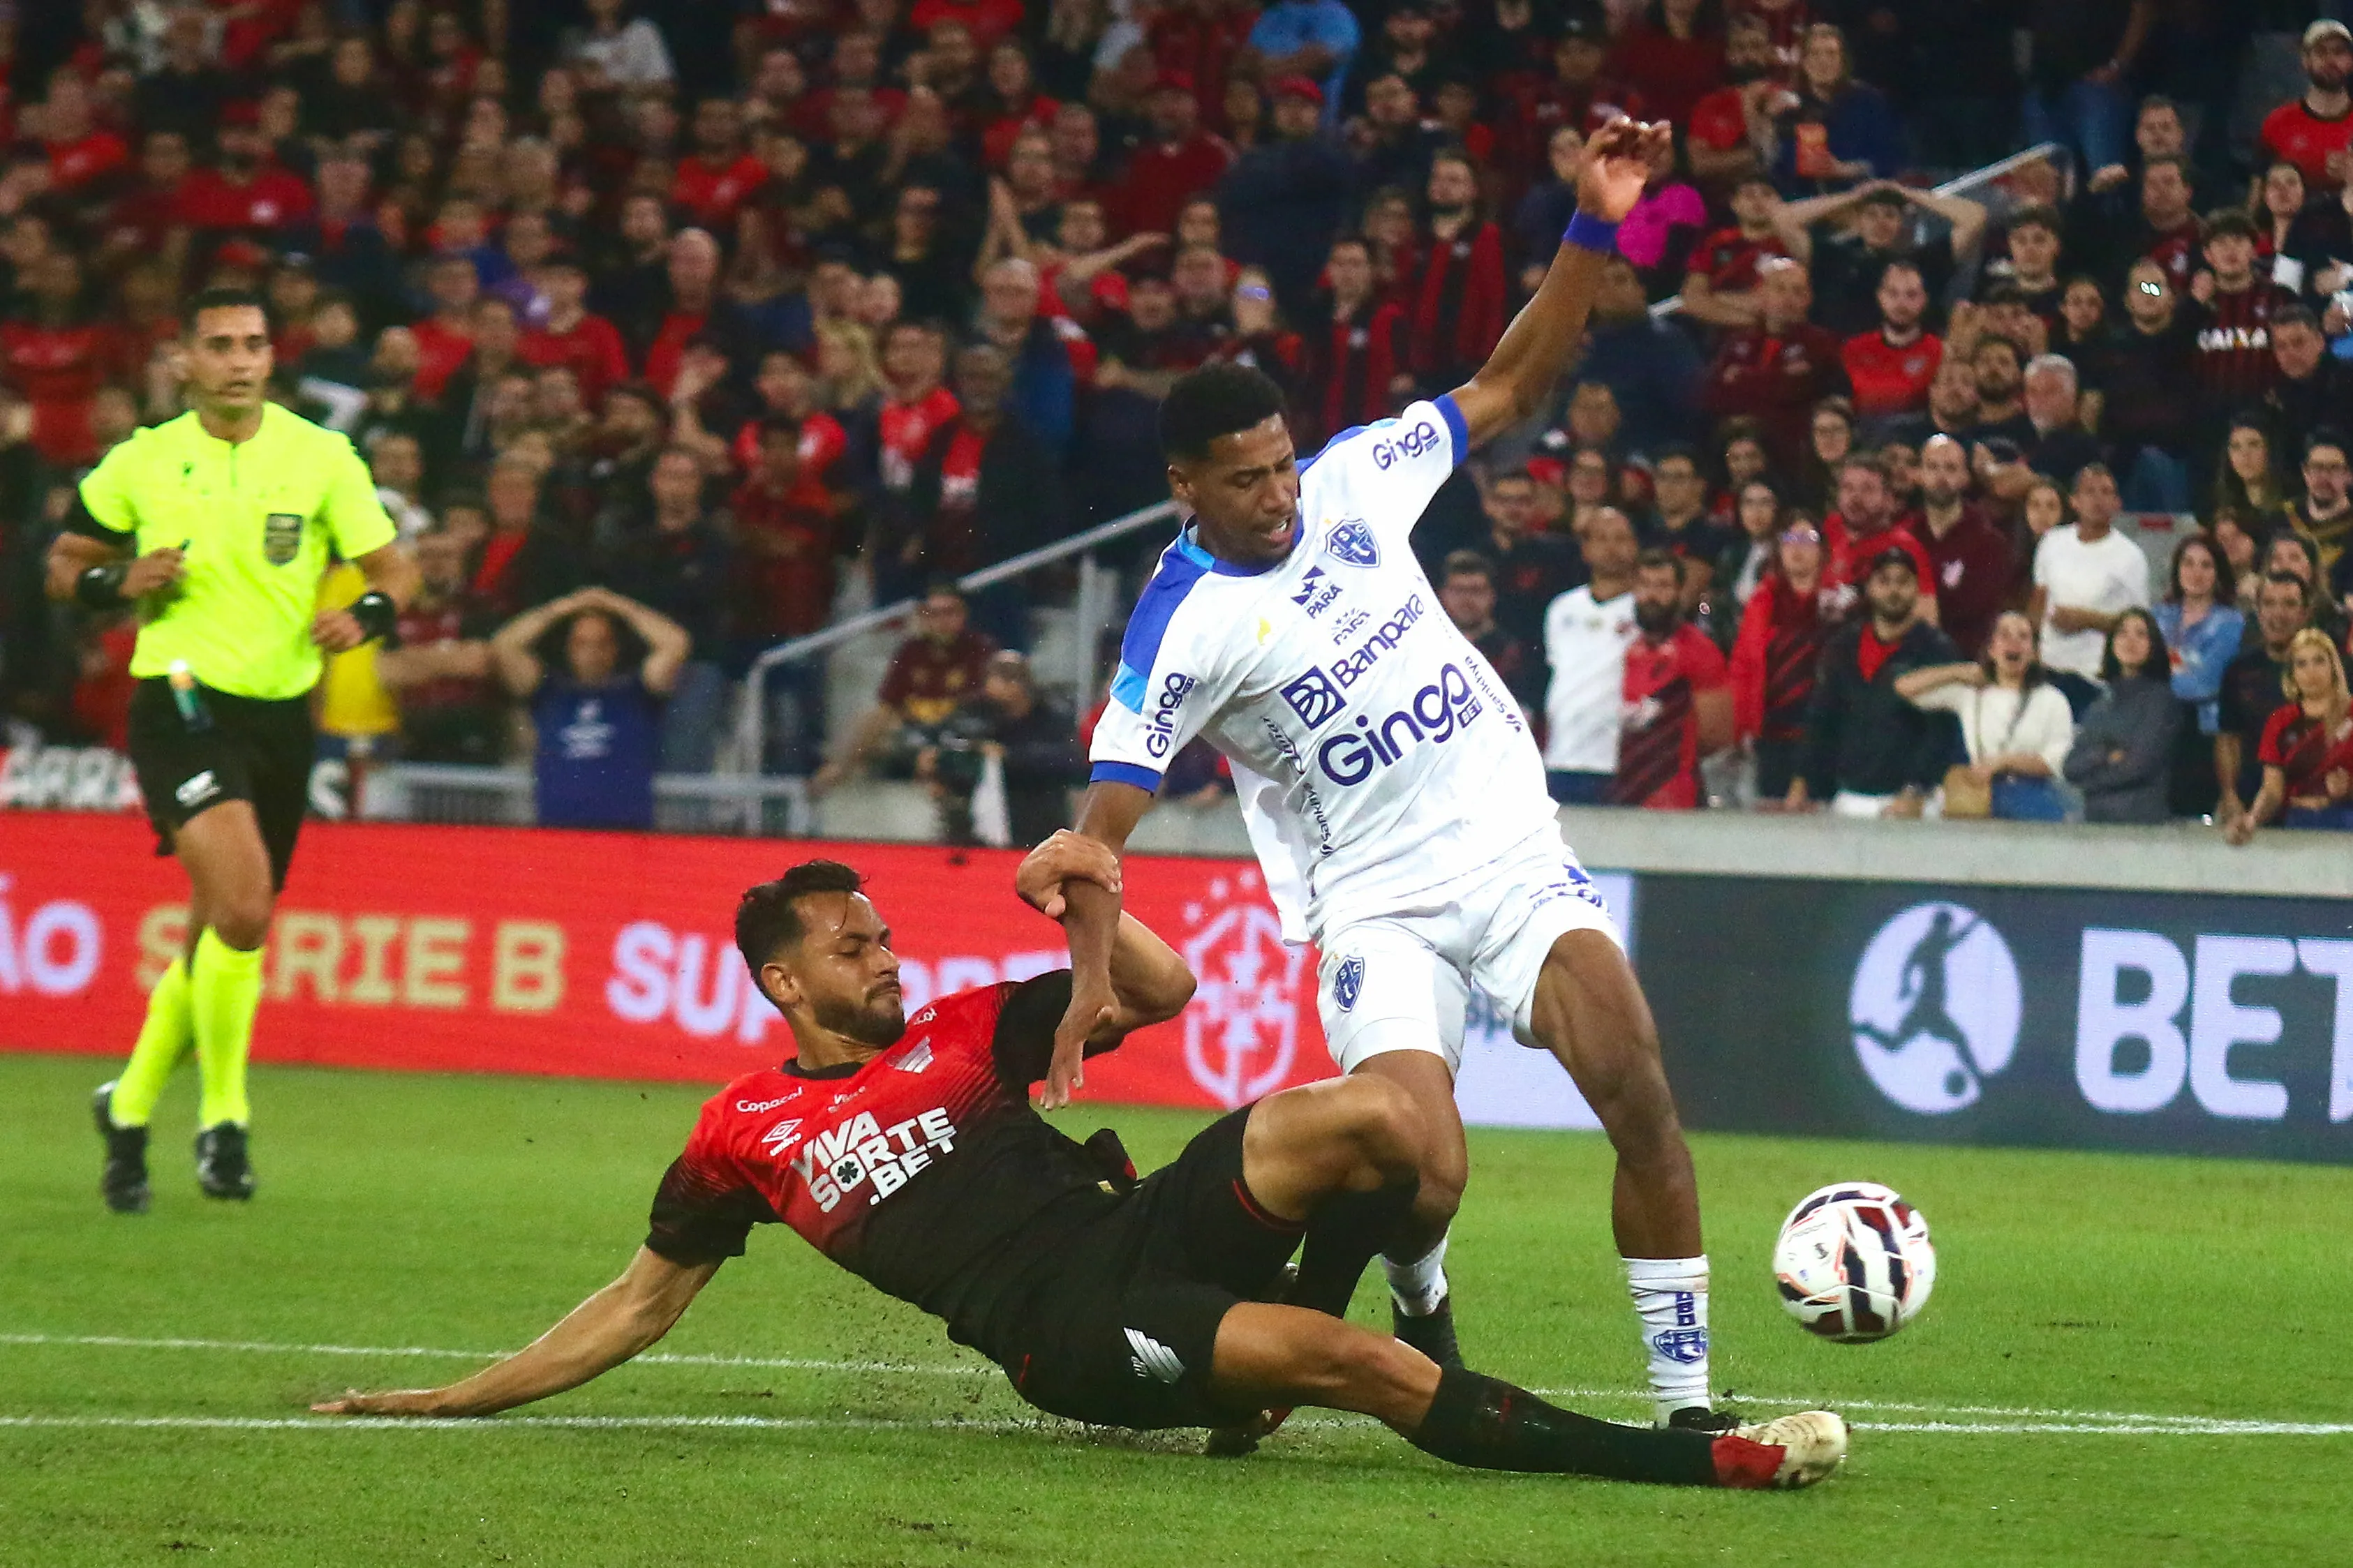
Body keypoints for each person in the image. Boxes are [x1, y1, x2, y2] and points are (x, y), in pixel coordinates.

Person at [312, 848, 1846, 1489]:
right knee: (1340, 1359)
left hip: (1143, 1219)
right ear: (785, 987)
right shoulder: (741, 1135)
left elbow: (1163, 992)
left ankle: (1365, 1325)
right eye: (849, 944)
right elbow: (637, 1306)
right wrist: (446, 1395)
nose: (879, 949)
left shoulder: (969, 1026)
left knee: (1364, 1117)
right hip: (1066, 1329)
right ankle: (1692, 1459)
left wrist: (1087, 897)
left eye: (882, 929)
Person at [1064, 123, 1746, 1435]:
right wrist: (1098, 972)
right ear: (1184, 486)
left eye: (1280, 463)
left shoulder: (1356, 480)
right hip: (1373, 901)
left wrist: (1594, 221)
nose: (1278, 495)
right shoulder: (1181, 624)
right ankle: (1416, 1283)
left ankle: (1685, 1404)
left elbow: (1511, 383)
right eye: (1246, 479)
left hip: (1507, 853)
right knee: (1424, 1168)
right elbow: (1102, 824)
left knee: (1640, 1088)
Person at [47, 286, 419, 1213]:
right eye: (219, 344)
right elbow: (61, 563)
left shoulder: (320, 454)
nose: (240, 359)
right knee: (246, 908)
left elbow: (393, 568)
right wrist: (113, 579)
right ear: (184, 360)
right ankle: (224, 1118)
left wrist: (365, 615)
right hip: (177, 698)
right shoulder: (143, 460)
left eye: (253, 342)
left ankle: (127, 1107)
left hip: (282, 713)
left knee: (218, 920)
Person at [491, 585, 690, 832]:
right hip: (558, 834)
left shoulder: (637, 692)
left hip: (628, 835)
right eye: (581, 644)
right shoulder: (550, 692)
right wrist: (565, 607)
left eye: (602, 643)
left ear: (614, 649)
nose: (592, 653)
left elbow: (676, 644)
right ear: (569, 649)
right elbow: (504, 646)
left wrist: (617, 605)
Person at [1789, 548, 1961, 818]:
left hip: (1912, 803)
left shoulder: (1937, 651)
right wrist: (1802, 782)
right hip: (1849, 796)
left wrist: (1917, 789)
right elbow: (1821, 719)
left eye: (1903, 582)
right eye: (1884, 581)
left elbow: (1941, 731)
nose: (1894, 590)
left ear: (1917, 588)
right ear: (1869, 588)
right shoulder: (1843, 647)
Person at [1896, 611, 2077, 823]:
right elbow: (1904, 688)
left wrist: (2004, 762)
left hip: (2035, 802)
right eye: (2005, 635)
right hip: (1981, 799)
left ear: (2035, 652)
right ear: (1991, 649)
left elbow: (2058, 761)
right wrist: (1958, 672)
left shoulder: (2053, 699)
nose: (2014, 643)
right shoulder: (1971, 694)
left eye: (2023, 637)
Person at [817, 584, 999, 791]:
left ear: (963, 614)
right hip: (914, 729)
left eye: (950, 612)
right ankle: (835, 773)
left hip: (959, 731)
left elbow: (982, 704)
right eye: (934, 614)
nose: (942, 621)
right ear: (923, 616)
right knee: (872, 718)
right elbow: (889, 701)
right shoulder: (911, 650)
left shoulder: (980, 648)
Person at [921, 650, 1085, 846]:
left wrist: (1008, 756)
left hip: (1036, 809)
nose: (1004, 685)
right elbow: (949, 741)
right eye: (998, 677)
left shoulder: (1050, 714)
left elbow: (1068, 760)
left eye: (1011, 678)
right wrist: (936, 760)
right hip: (977, 815)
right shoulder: (975, 710)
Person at [1730, 518, 1842, 802]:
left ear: (1823, 551)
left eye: (1808, 540)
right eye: (1790, 540)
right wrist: (1741, 728)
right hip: (1772, 736)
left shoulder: (1841, 603)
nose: (1798, 549)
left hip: (1825, 736)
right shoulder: (1762, 601)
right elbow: (1744, 666)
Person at [1612, 548, 1732, 809]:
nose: (1652, 595)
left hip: (1677, 797)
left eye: (1663, 586)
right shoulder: (1631, 648)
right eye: (1645, 585)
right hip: (1628, 792)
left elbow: (1717, 735)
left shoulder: (1699, 650)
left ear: (1679, 592)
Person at [1543, 506, 1643, 804]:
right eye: (1601, 538)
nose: (1611, 548)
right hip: (1561, 756)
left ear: (1635, 546)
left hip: (1616, 759)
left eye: (1620, 538)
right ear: (1586, 549)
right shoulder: (1562, 609)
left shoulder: (1645, 612)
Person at [2028, 465, 2151, 700]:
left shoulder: (2130, 556)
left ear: (2117, 503)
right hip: (2048, 669)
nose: (2098, 499)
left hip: (2095, 674)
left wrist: (2088, 620)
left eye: (2106, 492)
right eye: (2090, 492)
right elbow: (2038, 600)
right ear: (2074, 501)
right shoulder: (2052, 542)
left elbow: (2141, 623)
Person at [2227, 628, 2353, 842]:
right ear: (2292, 673)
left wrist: (2348, 789)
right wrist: (2252, 820)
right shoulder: (2281, 721)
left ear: (2334, 666)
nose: (2311, 671)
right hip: (2298, 822)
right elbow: (2272, 790)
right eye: (2301, 664)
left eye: (2319, 661)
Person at [2215, 572, 2314, 828]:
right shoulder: (2238, 670)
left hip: (2312, 808)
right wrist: (2229, 795)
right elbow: (2228, 738)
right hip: (2251, 803)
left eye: (2289, 604)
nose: (2278, 614)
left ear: (2305, 613)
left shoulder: (2334, 670)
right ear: (2258, 612)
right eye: (2269, 604)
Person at [2065, 609, 2181, 824]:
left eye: (2141, 634)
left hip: (2142, 822)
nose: (2131, 641)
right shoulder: (2101, 704)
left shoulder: (2161, 701)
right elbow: (2071, 766)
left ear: (2153, 645)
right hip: (2095, 821)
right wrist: (2104, 754)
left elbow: (2138, 766)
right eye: (2122, 633)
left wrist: (2089, 782)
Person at [1911, 435, 2013, 659]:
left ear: (1966, 477)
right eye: (1932, 467)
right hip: (1905, 656)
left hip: (1964, 659)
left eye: (1951, 468)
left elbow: (1974, 610)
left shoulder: (1989, 542)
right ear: (1918, 474)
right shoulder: (1904, 536)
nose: (1941, 477)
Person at [1438, 550, 1544, 719]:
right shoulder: (1431, 649)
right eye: (1458, 590)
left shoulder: (1515, 654)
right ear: (1443, 594)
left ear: (1492, 595)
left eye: (1476, 591)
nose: (1466, 600)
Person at [2259, 20, 2353, 196]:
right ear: (2305, 60)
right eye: (2321, 52)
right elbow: (2258, 198)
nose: (2331, 60)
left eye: (2339, 52)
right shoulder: (2277, 124)